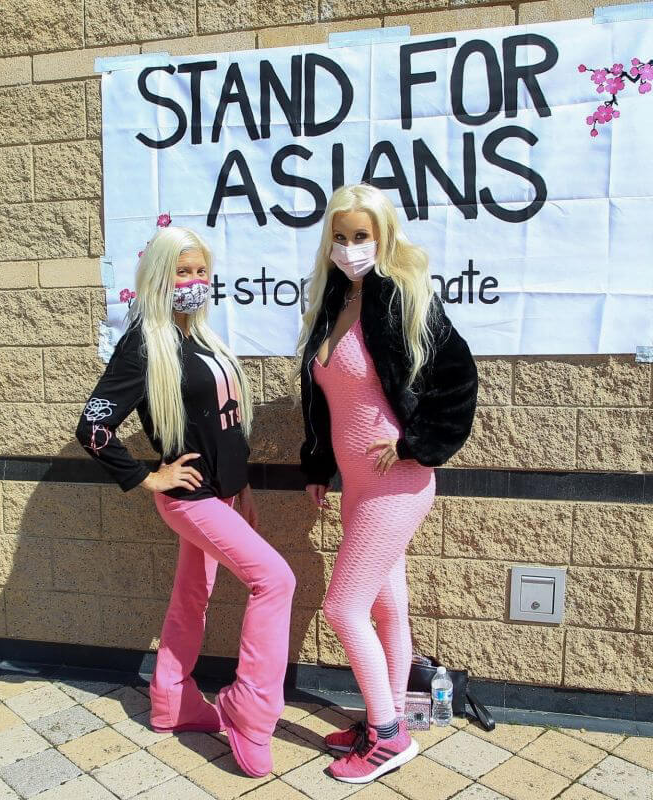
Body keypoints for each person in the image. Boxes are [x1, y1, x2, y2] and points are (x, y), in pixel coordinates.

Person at [77, 224, 295, 778]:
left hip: (222, 495)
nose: (194, 281)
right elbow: (94, 426)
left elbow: (224, 425)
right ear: (159, 277)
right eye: (183, 271)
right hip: (190, 498)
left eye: (200, 271)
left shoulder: (197, 336)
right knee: (276, 580)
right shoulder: (142, 346)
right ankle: (250, 713)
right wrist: (147, 477)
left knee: (191, 593)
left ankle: (171, 699)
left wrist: (240, 483)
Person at [298, 184, 479, 784]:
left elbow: (457, 381)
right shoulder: (333, 302)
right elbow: (327, 401)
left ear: (384, 237)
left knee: (342, 607)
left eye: (362, 236)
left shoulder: (402, 298)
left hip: (398, 482)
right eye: (342, 236)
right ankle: (390, 712)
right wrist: (319, 465)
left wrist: (412, 444)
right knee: (385, 605)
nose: (350, 247)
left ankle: (388, 736)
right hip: (356, 486)